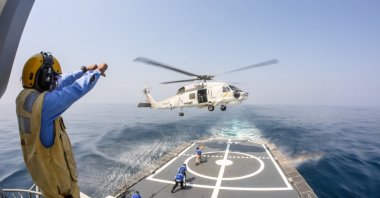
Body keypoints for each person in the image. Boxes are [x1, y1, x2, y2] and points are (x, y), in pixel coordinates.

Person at [15, 52, 108, 198]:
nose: (56, 81)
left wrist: (83, 70)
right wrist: (96, 73)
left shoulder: (25, 98)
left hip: (47, 182)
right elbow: (75, 90)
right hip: (62, 191)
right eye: (53, 77)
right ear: (45, 79)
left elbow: (61, 81)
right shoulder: (45, 106)